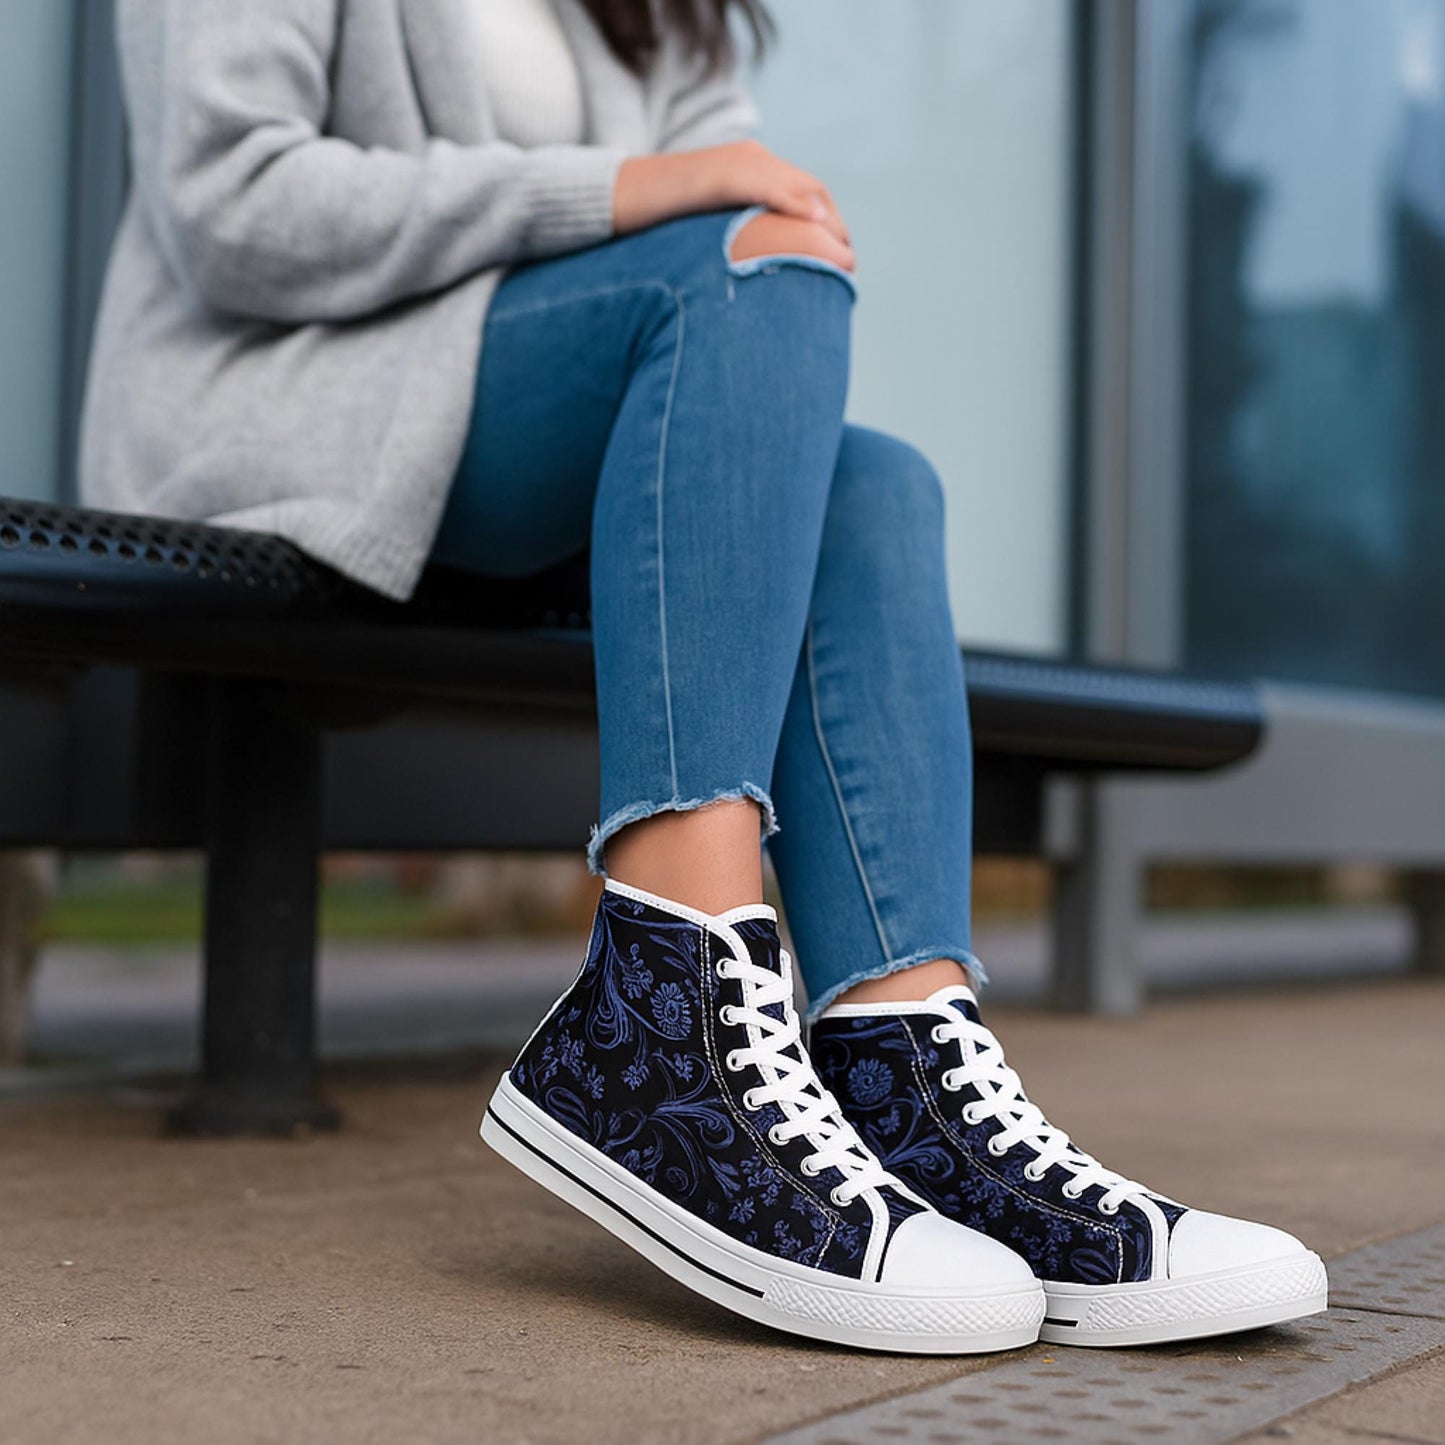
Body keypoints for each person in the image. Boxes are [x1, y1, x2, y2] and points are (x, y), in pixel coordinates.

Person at [82, 0, 1327, 1353]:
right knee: (745, 262)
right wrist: (618, 191)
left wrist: (682, 210)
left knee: (871, 483)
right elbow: (232, 205)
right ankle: (660, 991)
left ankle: (901, 1061)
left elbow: (735, 213)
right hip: (289, 417)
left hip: (528, 455)